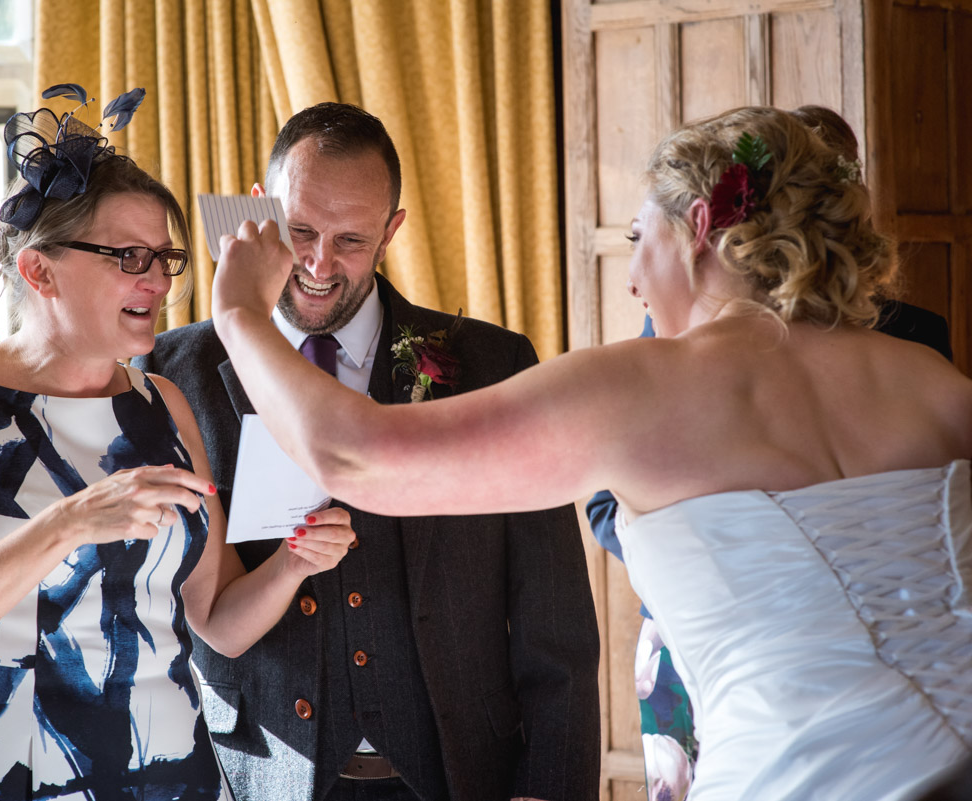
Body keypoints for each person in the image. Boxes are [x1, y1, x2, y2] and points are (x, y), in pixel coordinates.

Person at [208, 105, 972, 800]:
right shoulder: (935, 384)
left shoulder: (643, 385)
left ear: (700, 223)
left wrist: (239, 311)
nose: (635, 278)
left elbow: (353, 459)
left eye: (641, 239)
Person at [0, 89, 355, 800]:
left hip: (167, 773)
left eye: (166, 257)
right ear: (39, 270)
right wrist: (72, 520)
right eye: (130, 256)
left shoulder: (165, 404)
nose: (158, 281)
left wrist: (292, 563)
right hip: (3, 769)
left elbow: (216, 619)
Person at [134, 103, 601, 801]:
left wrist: (549, 788)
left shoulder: (491, 362)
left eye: (350, 239)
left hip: (462, 773)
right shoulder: (171, 370)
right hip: (254, 773)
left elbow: (554, 616)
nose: (319, 263)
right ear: (257, 211)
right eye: (300, 231)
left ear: (392, 231)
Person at [583, 103, 958, 801]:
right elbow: (606, 496)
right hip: (693, 629)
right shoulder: (668, 334)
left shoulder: (916, 338)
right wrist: (706, 560)